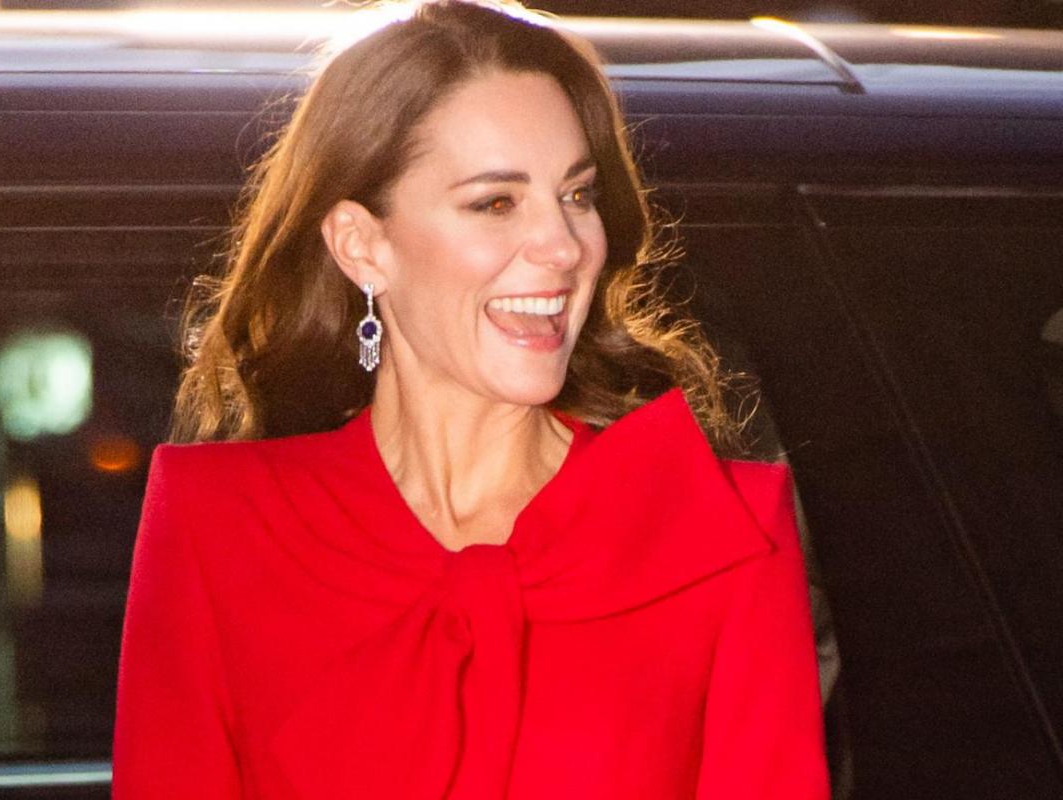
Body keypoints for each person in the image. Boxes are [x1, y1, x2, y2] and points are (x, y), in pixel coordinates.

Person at [111, 1, 830, 797]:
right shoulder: (221, 527)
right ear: (362, 245)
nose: (564, 247)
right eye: (496, 202)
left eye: (578, 196)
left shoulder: (713, 533)